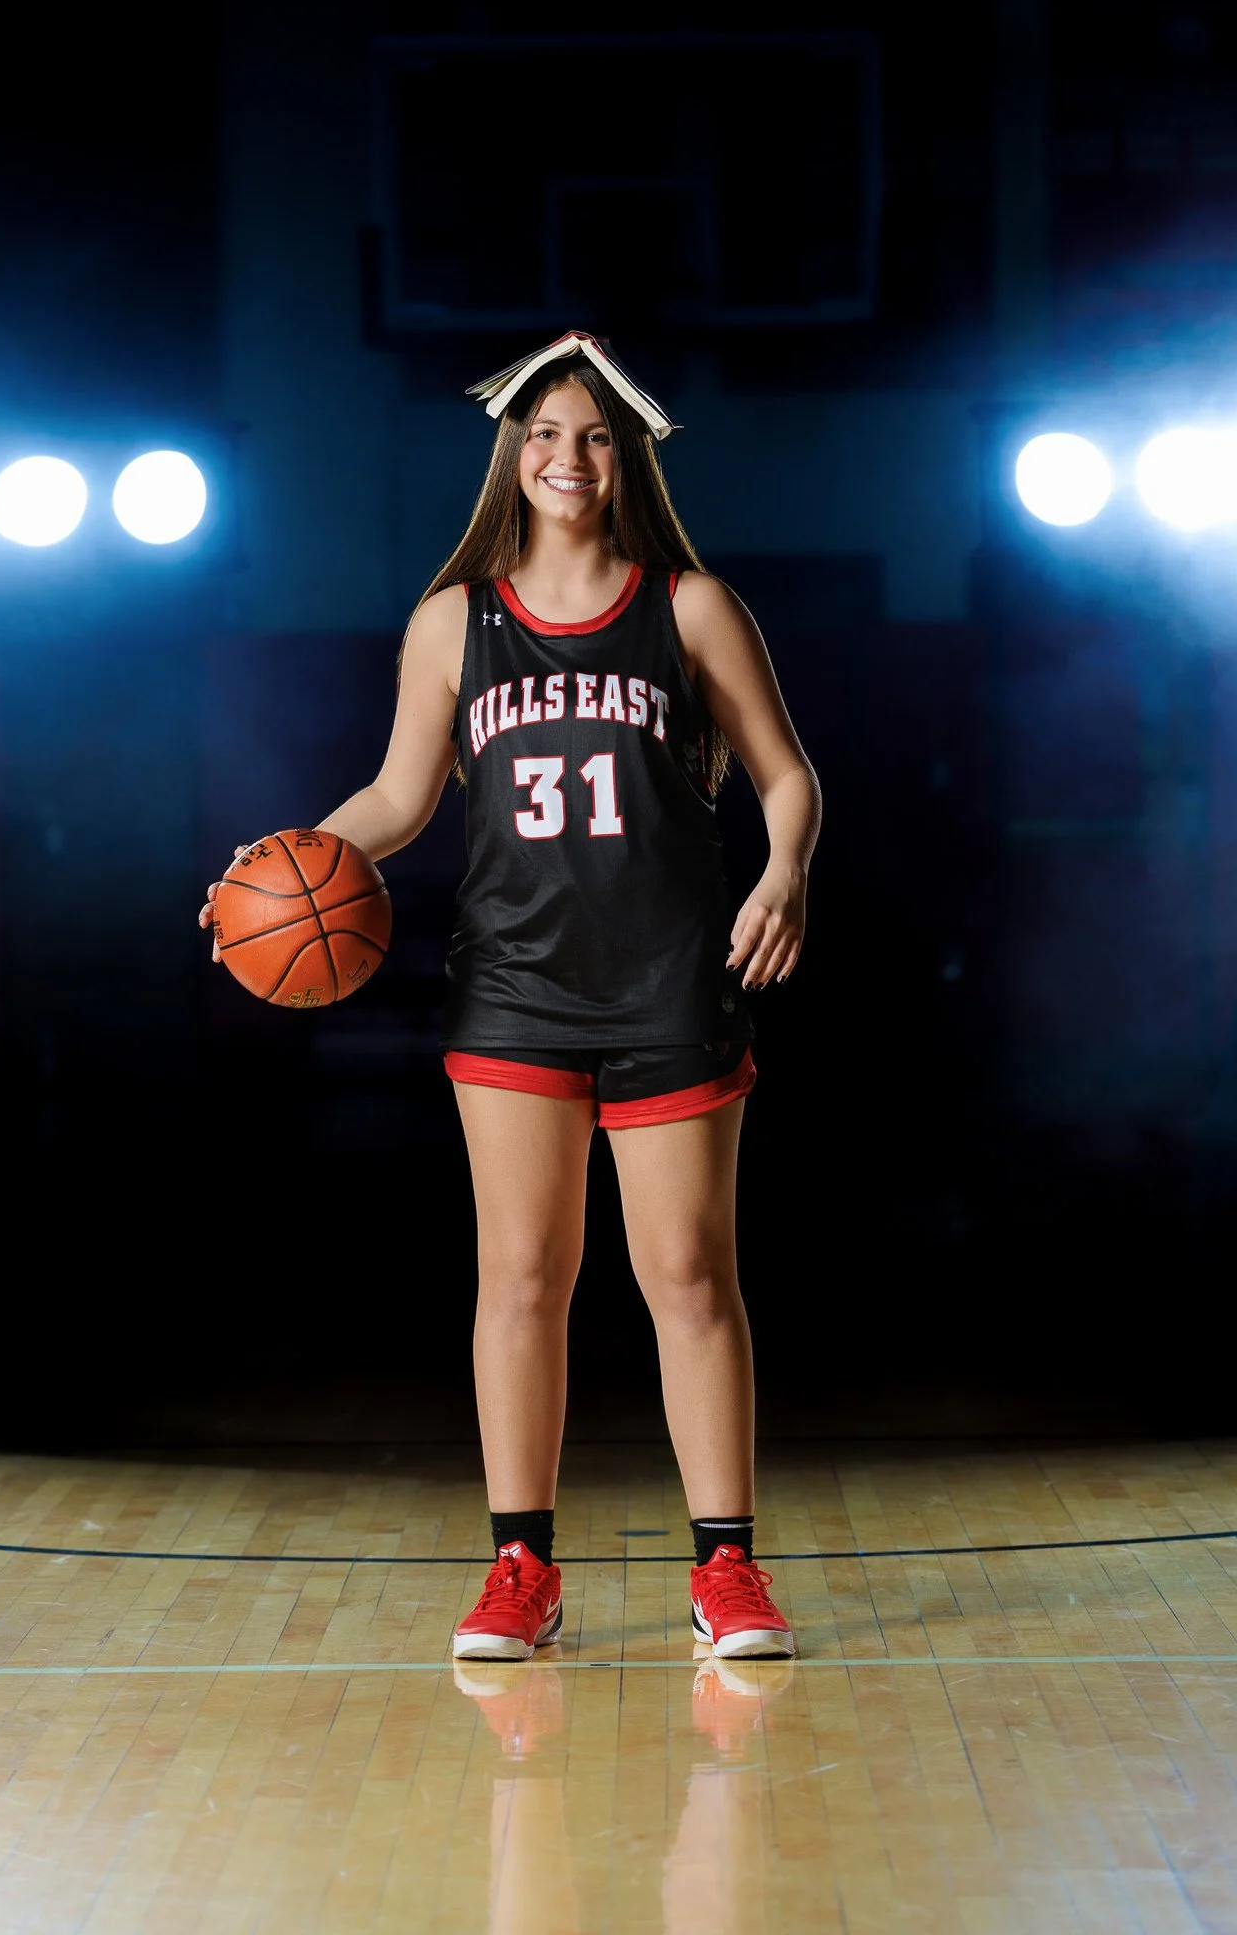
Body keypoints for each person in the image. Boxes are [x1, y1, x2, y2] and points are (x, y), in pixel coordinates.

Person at [200, 334, 821, 1661]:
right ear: (510, 451)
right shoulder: (454, 621)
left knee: (690, 1278)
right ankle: (521, 1568)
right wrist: (280, 867)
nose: (568, 456)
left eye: (595, 435)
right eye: (544, 431)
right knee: (522, 1279)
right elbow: (398, 799)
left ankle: (725, 1573)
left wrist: (785, 876)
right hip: (515, 991)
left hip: (668, 982)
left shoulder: (689, 607)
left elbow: (786, 775)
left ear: (628, 455)